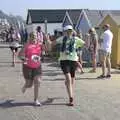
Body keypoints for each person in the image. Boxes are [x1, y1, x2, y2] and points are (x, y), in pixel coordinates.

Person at [53, 25, 84, 106]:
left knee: (71, 81)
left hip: (73, 61)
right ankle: (71, 98)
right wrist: (47, 42)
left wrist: (87, 39)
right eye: (67, 31)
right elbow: (52, 43)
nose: (69, 32)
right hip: (64, 61)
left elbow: (84, 44)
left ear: (72, 31)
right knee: (69, 79)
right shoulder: (61, 39)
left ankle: (67, 84)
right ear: (65, 32)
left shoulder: (76, 39)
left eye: (70, 31)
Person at [18, 32, 42, 106]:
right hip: (27, 66)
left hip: (37, 66)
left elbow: (41, 54)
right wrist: (24, 58)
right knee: (29, 84)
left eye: (35, 37)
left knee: (37, 82)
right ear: (30, 37)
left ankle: (36, 100)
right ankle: (25, 86)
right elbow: (19, 55)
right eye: (33, 37)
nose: (34, 38)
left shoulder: (39, 45)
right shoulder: (26, 45)